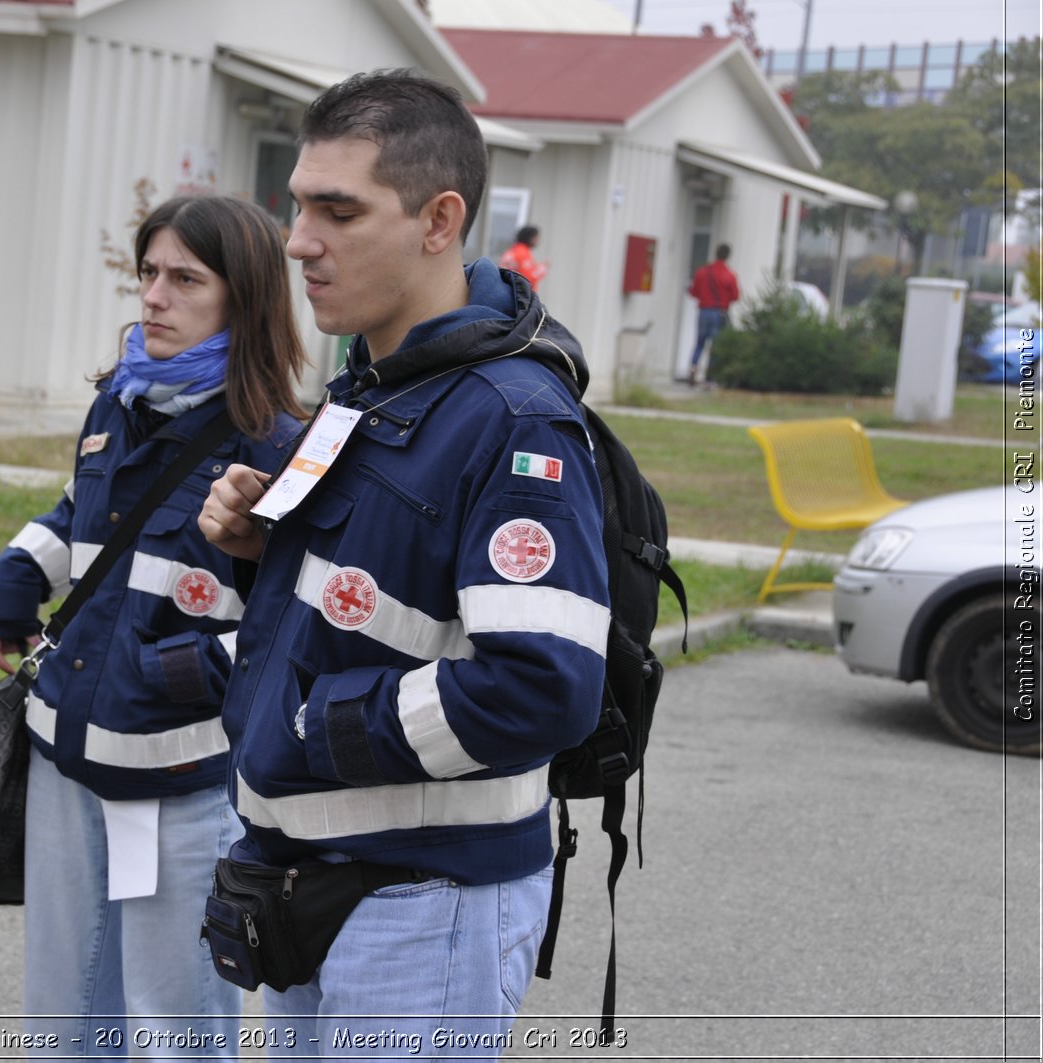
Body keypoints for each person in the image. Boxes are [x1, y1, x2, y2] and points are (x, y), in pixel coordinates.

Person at [199, 70, 608, 1052]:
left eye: (338, 211)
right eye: (299, 205)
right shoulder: (372, 386)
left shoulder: (513, 421)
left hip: (424, 900)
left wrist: (309, 727)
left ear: (439, 221)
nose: (299, 240)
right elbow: (376, 604)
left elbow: (540, 689)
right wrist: (263, 551)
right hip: (311, 870)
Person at [0, 194, 305, 1056]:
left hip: (178, 778)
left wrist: (189, 674)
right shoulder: (117, 403)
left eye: (184, 278)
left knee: (174, 1027)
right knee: (63, 1015)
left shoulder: (279, 447)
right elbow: (81, 511)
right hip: (65, 752)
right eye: (148, 273)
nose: (153, 296)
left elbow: (297, 623)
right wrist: (19, 573)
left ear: (245, 297)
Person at [687, 243, 740, 384]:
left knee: (699, 343)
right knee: (716, 346)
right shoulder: (729, 275)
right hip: (719, 313)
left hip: (703, 311)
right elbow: (735, 296)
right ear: (728, 256)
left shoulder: (702, 272)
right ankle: (709, 377)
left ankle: (693, 368)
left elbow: (693, 292)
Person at [498, 224, 547, 290]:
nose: (538, 241)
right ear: (530, 238)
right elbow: (528, 279)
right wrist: (542, 267)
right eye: (536, 238)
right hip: (517, 294)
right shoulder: (523, 253)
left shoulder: (513, 250)